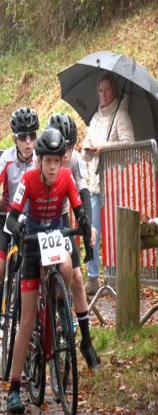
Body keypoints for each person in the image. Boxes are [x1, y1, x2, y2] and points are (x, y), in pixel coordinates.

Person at [4, 129, 93, 413]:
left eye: (57, 161)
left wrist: (83, 219)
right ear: (39, 161)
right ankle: (15, 387)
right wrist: (16, 225)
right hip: (32, 241)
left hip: (55, 234)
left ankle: (59, 305)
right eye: (48, 161)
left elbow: (78, 207)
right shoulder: (29, 179)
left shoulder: (66, 178)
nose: (53, 167)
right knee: (27, 320)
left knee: (68, 266)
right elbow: (12, 213)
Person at [0, 107, 39, 339]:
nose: (29, 142)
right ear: (15, 139)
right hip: (4, 217)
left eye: (33, 135)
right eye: (23, 137)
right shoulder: (8, 157)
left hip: (30, 220)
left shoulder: (41, 158)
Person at [47, 113, 101, 369]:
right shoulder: (45, 157)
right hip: (39, 222)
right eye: (63, 146)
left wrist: (87, 226)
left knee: (77, 279)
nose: (67, 153)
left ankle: (86, 341)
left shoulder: (76, 161)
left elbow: (84, 192)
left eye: (70, 146)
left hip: (61, 223)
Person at [81, 73, 134, 295]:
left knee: (113, 232)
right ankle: (93, 277)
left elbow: (129, 146)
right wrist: (87, 149)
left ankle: (114, 277)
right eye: (100, 91)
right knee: (92, 231)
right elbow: (87, 143)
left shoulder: (121, 116)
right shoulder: (95, 117)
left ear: (114, 92)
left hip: (113, 184)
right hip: (94, 182)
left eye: (107, 90)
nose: (103, 94)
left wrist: (104, 148)